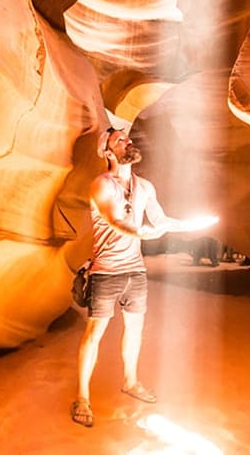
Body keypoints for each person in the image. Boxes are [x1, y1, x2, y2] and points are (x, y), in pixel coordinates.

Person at [71, 126, 218, 428]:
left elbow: (161, 220)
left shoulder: (145, 187)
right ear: (109, 152)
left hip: (135, 271)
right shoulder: (102, 185)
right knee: (94, 334)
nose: (128, 141)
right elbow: (117, 221)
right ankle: (82, 397)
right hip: (106, 271)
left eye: (128, 138)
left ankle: (130, 381)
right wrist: (146, 233)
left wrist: (192, 226)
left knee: (135, 330)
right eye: (120, 140)